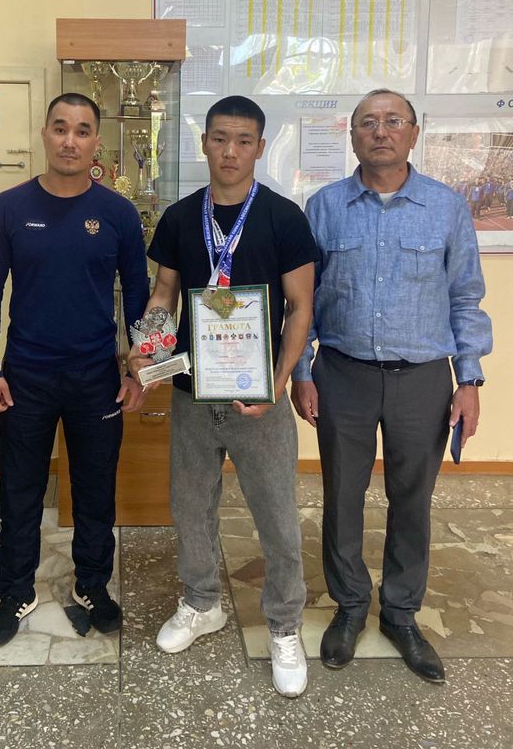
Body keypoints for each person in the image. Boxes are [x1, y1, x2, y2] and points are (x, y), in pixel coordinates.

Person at [291, 89, 492, 683]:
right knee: (342, 496)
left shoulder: (446, 207)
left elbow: (465, 297)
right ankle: (350, 606)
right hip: (342, 375)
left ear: (413, 133)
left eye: (393, 121)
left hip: (423, 380)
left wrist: (469, 379)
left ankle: (401, 613)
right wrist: (301, 371)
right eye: (368, 123)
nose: (381, 131)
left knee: (412, 499)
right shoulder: (324, 206)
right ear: (352, 136)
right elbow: (303, 301)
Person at [129, 95, 318, 698]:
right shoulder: (181, 217)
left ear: (259, 147)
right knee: (191, 505)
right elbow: (165, 291)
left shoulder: (284, 218)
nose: (230, 151)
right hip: (192, 391)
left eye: (242, 140)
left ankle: (284, 626)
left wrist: (278, 385)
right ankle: (202, 601)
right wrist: (148, 341)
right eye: (219, 139)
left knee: (276, 513)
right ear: (205, 143)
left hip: (259, 398)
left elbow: (300, 309)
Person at [0, 93, 149, 645]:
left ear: (97, 141)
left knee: (95, 488)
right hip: (25, 375)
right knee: (19, 489)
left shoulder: (118, 213)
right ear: (45, 134)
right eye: (60, 128)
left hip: (97, 375)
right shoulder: (9, 207)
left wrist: (138, 369)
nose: (70, 140)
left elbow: (138, 296)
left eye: (82, 130)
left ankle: (92, 584)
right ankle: (15, 590)